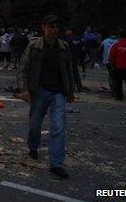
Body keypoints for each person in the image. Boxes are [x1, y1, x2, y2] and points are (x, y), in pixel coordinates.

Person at [18, 15, 74, 179]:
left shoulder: (63, 47)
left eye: (56, 27)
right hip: (39, 91)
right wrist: (24, 89)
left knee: (58, 127)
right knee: (35, 124)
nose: (54, 30)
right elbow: (23, 68)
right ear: (44, 28)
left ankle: (56, 163)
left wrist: (70, 91)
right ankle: (33, 146)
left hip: (58, 92)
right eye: (50, 27)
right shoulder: (34, 45)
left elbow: (69, 70)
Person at [108, 29, 126, 102]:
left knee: (118, 82)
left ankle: (119, 97)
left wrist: (113, 65)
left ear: (119, 36)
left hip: (118, 67)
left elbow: (111, 56)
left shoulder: (115, 45)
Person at [62, 28, 84, 92]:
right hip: (76, 58)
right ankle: (79, 87)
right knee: (75, 72)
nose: (66, 32)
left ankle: (72, 87)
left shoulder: (67, 39)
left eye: (67, 30)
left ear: (70, 31)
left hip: (68, 58)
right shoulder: (79, 39)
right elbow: (82, 50)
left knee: (68, 73)